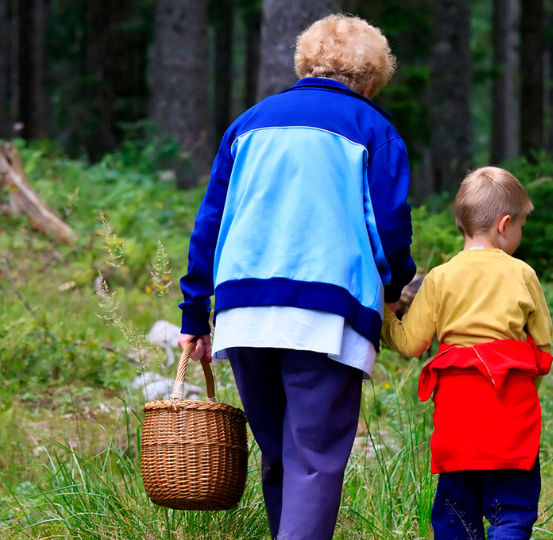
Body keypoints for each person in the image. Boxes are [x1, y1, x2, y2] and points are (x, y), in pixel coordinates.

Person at [176, 14, 416, 540]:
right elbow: (390, 226)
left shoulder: (249, 123)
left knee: (280, 452)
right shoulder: (373, 129)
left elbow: (210, 223)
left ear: (305, 64)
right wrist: (398, 289)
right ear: (372, 80)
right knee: (313, 457)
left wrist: (195, 311)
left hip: (243, 313)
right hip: (324, 315)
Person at [381, 167, 553, 540]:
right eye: (521, 225)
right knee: (511, 511)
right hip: (512, 412)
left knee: (456, 514)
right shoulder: (522, 274)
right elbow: (542, 348)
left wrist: (383, 314)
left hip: (458, 414)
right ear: (504, 225)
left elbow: (411, 344)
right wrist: (525, 386)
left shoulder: (440, 278)